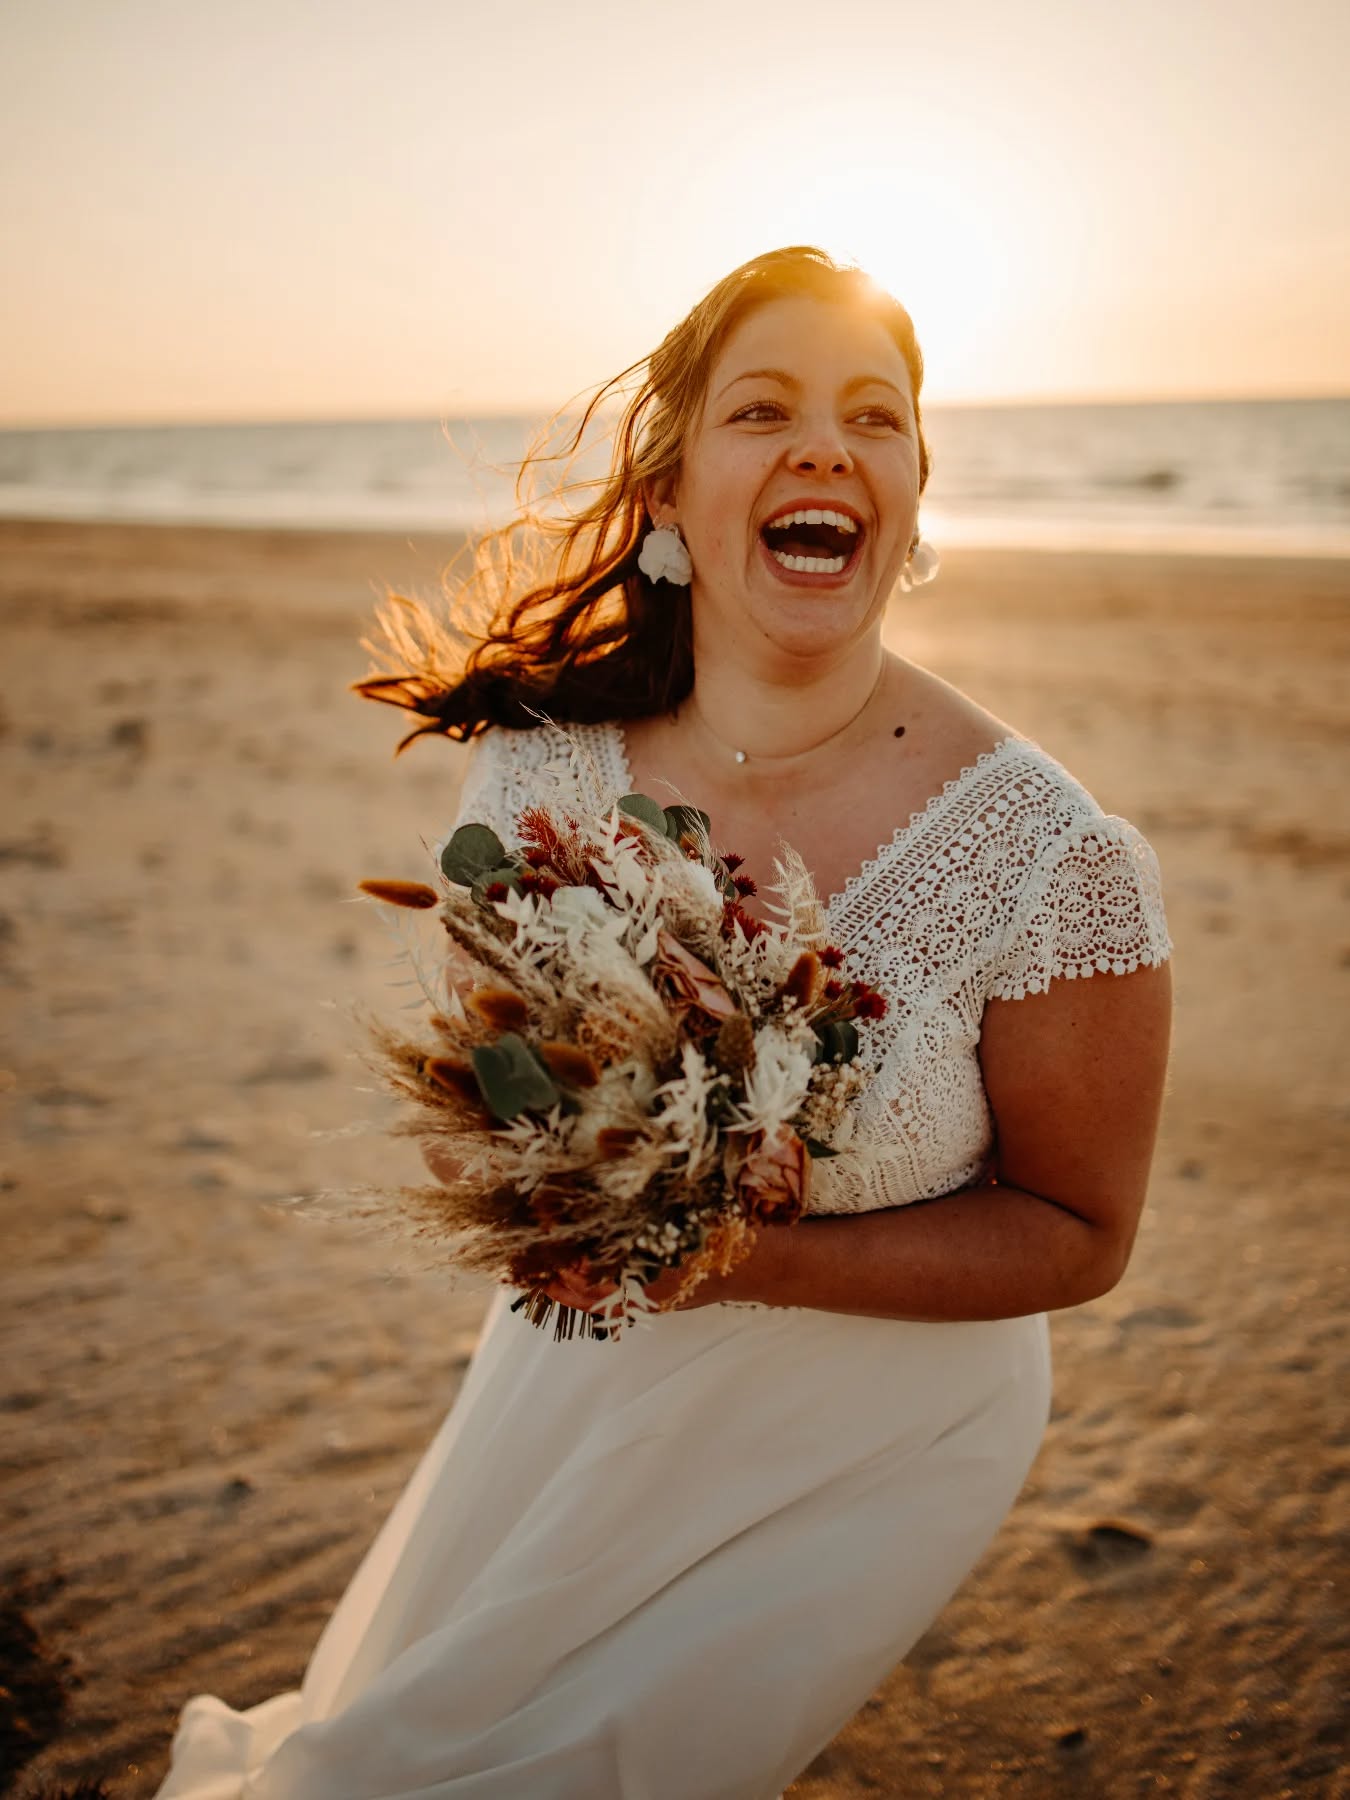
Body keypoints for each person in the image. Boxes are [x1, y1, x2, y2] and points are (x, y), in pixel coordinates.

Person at [155, 244, 1173, 1799]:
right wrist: (531, 1191)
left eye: (874, 418)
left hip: (879, 1432)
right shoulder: (542, 779)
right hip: (578, 1378)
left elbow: (1080, 1232)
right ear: (673, 500)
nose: (825, 446)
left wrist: (738, 1258)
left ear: (910, 501)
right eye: (761, 410)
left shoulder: (1052, 860)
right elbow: (484, 1119)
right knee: (399, 1753)